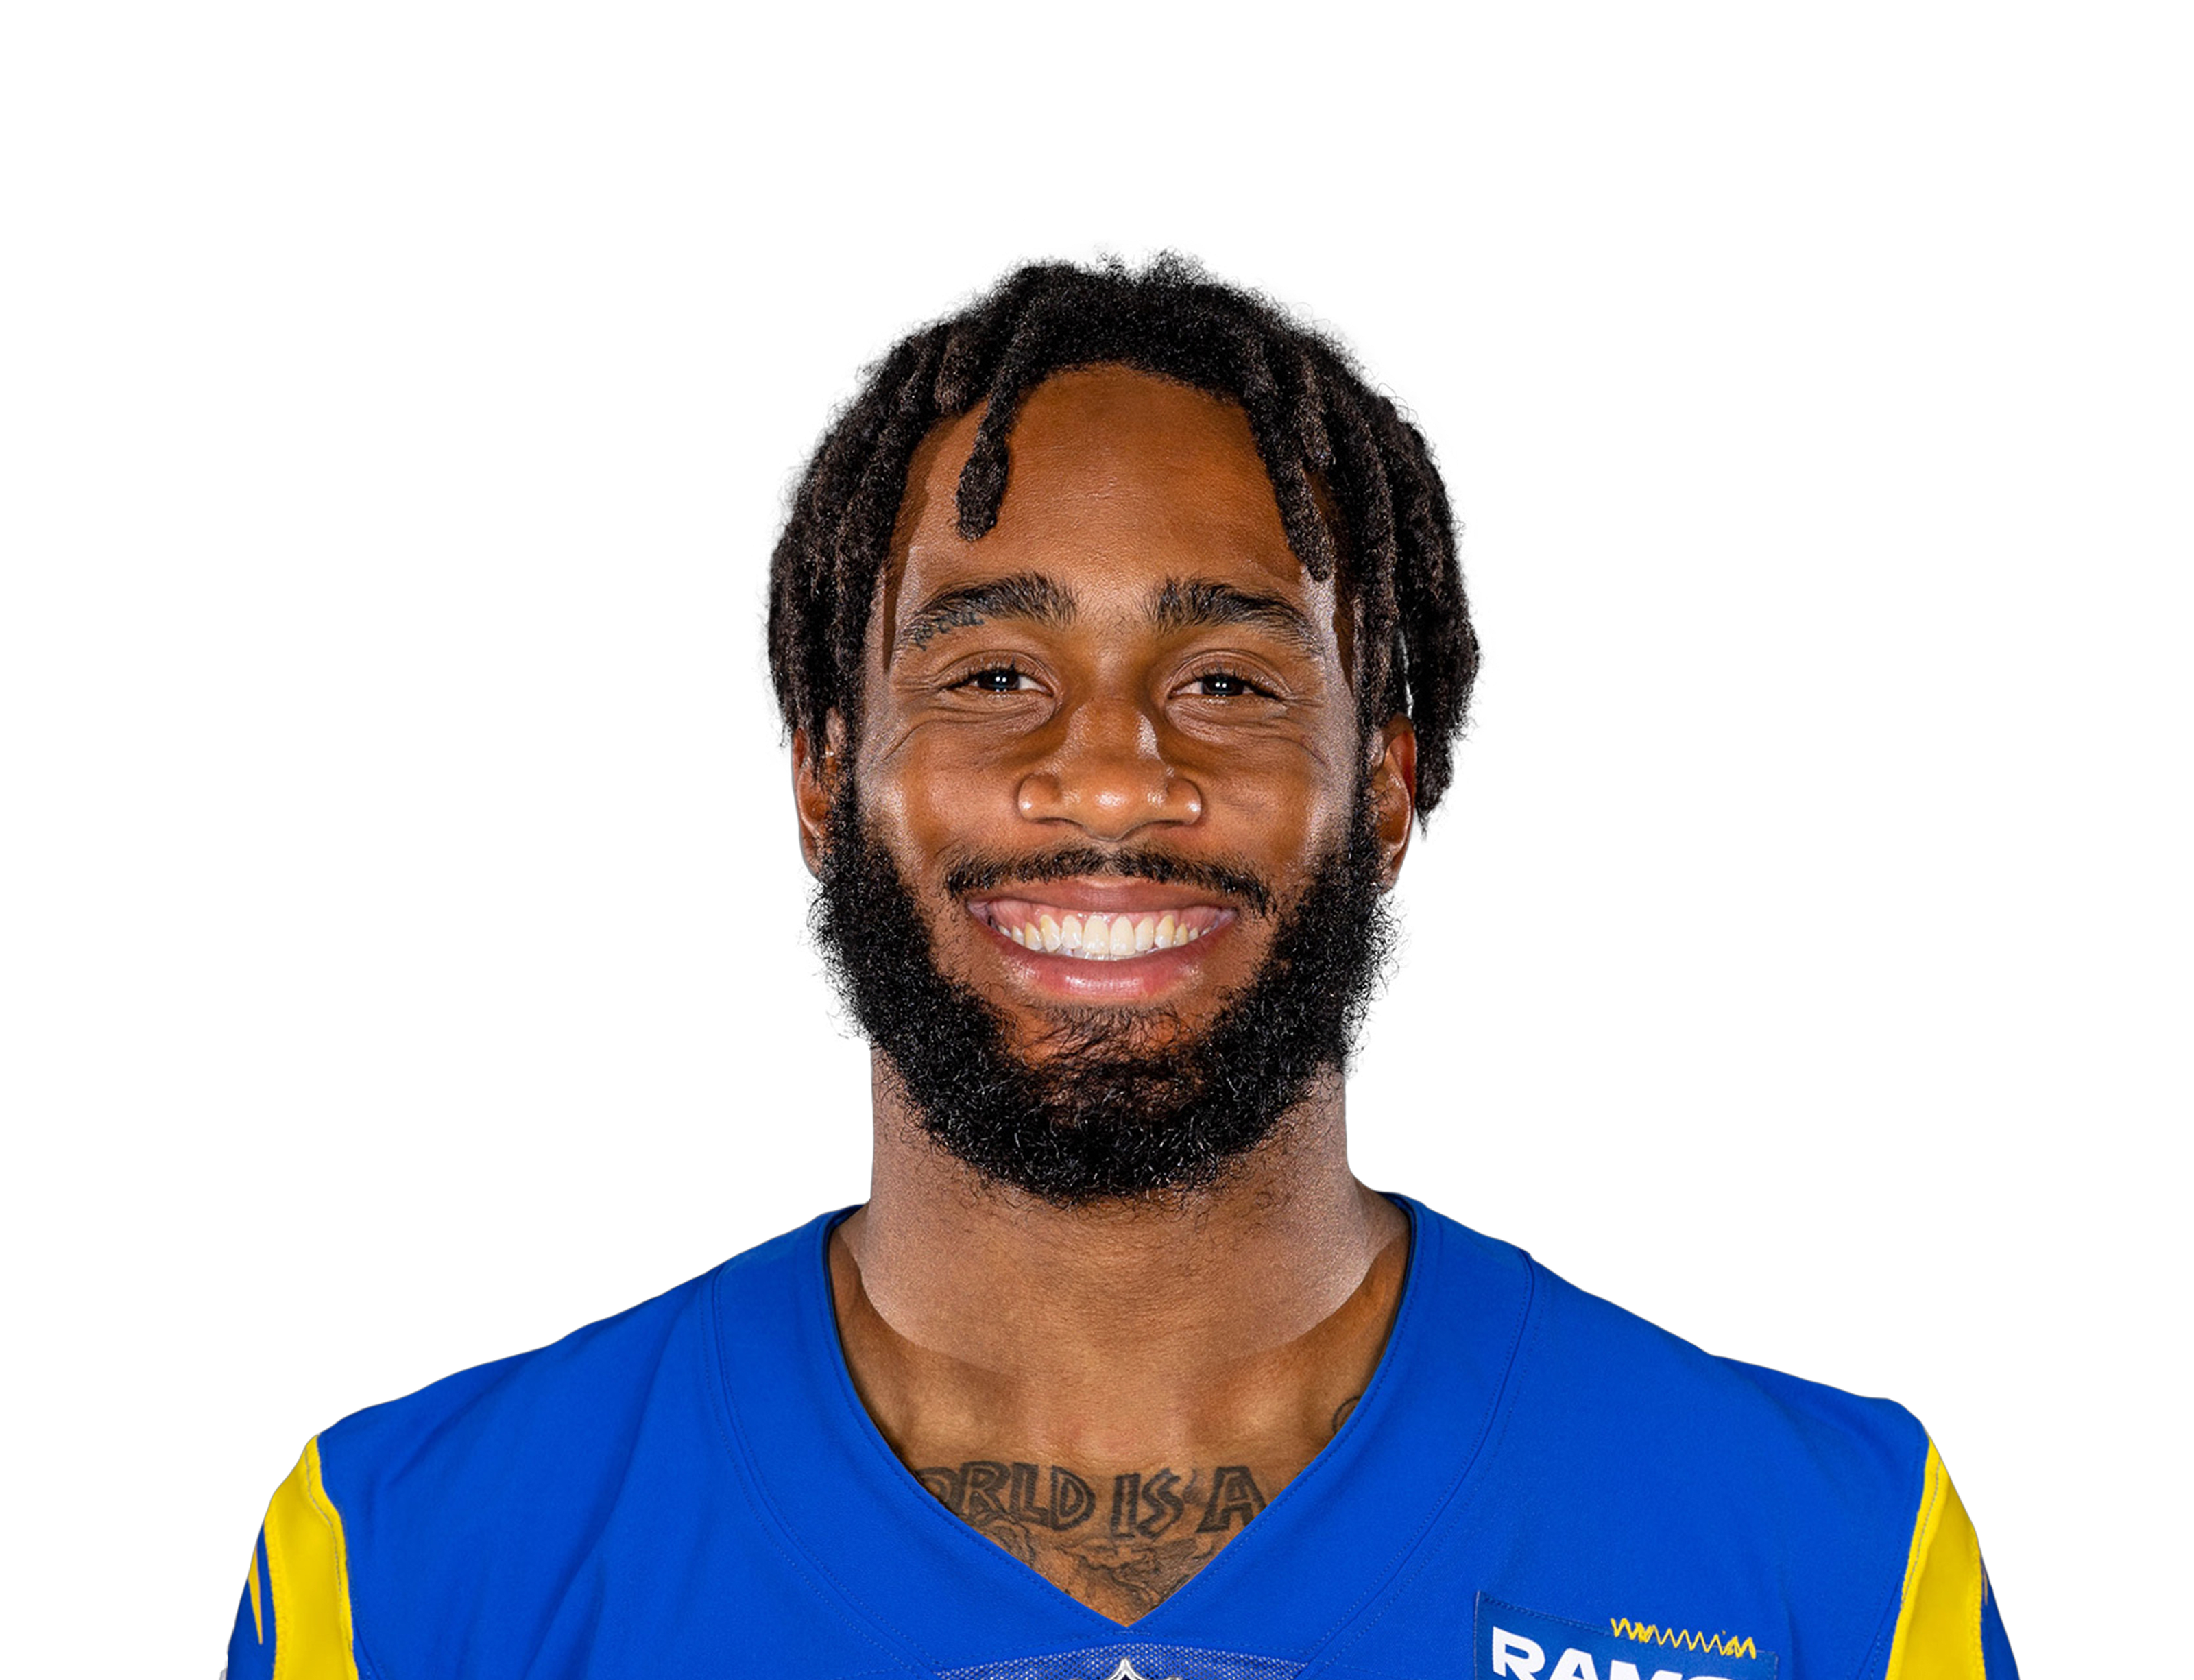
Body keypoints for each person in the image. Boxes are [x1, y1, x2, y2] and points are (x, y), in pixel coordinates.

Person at [226, 258, 2016, 1679]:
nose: (1108, 777)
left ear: (1388, 796)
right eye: (992, 674)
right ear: (823, 781)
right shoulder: (398, 1569)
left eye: (1228, 682)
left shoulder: (1839, 1563)